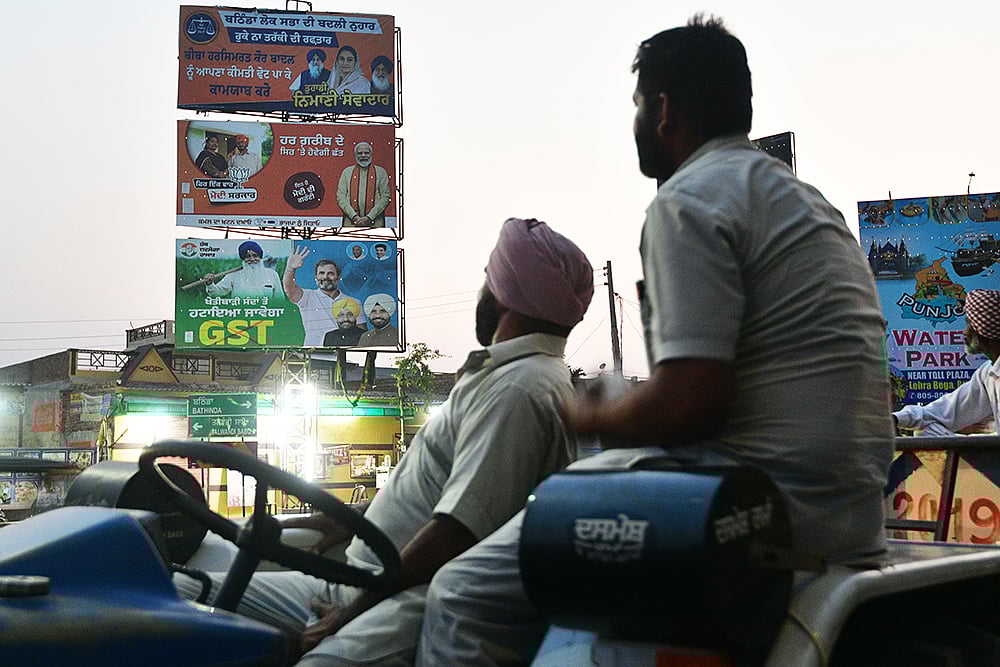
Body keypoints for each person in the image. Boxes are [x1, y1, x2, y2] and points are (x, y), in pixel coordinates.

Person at [419, 16, 894, 666]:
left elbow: (689, 401)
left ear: (664, 109)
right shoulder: (806, 200)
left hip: (749, 508)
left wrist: (589, 411)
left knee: (458, 592)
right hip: (849, 514)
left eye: (639, 104)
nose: (637, 120)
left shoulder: (687, 201)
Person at [176, 217, 595, 666]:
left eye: (488, 280)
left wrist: (348, 614)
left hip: (402, 597)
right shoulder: (509, 378)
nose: (482, 292)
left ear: (506, 296)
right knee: (175, 593)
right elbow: (438, 493)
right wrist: (352, 518)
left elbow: (458, 531)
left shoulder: (520, 389)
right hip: (358, 577)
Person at [893, 289, 1000, 435]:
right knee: (927, 431)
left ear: (986, 328)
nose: (964, 332)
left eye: (970, 324)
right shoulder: (988, 372)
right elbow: (943, 412)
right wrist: (895, 419)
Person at [283, 246, 366, 347]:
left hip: (345, 356)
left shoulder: (354, 302)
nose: (325, 277)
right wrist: (290, 269)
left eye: (330, 273)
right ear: (316, 278)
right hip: (315, 356)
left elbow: (362, 335)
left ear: (338, 277)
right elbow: (289, 289)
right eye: (321, 273)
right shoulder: (307, 297)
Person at [203, 241, 283, 300]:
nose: (252, 259)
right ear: (243, 259)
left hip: (267, 318)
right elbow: (216, 293)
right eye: (248, 256)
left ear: (260, 257)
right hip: (240, 318)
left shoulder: (272, 274)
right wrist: (210, 284)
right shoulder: (233, 275)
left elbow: (279, 299)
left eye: (255, 256)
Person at [337, 142, 391, 228]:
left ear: (371, 154)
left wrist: (369, 217)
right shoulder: (347, 172)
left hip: (375, 224)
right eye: (360, 153)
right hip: (350, 224)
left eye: (366, 153)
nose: (363, 155)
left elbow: (386, 197)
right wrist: (354, 217)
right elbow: (340, 197)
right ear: (355, 155)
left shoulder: (381, 172)